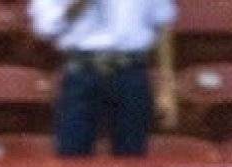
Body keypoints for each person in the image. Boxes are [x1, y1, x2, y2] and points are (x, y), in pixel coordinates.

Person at [28, 0, 178, 158]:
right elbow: (45, 28)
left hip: (130, 72)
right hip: (81, 73)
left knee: (132, 159)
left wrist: (166, 88)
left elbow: (163, 22)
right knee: (72, 157)